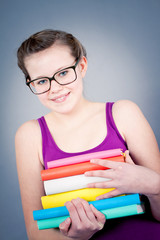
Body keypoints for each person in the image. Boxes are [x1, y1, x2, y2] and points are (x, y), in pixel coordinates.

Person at [15, 29, 160, 240]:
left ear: (81, 66)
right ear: (31, 83)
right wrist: (78, 237)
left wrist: (153, 185)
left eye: (63, 73)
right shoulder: (29, 135)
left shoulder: (123, 113)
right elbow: (36, 233)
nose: (55, 88)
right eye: (42, 81)